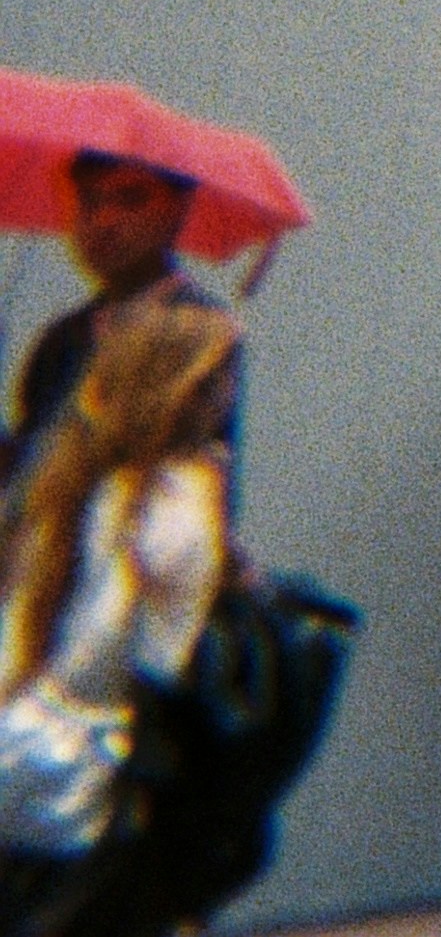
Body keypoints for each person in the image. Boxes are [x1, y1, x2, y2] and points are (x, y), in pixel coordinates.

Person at [0, 302, 241, 936]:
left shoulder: (73, 481)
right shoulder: (180, 501)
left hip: (20, 743)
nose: (231, 394)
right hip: (92, 783)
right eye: (221, 377)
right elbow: (164, 664)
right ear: (185, 389)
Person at [4, 161, 221, 477]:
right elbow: (29, 474)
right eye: (89, 202)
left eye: (131, 200)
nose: (104, 220)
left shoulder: (199, 336)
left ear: (178, 209)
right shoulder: (64, 338)